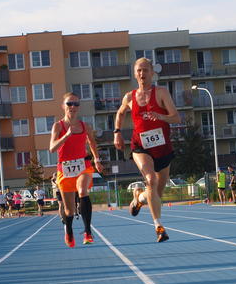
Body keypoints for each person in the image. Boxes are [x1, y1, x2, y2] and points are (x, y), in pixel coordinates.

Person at [113, 57, 181, 242]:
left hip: (163, 148)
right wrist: (117, 132)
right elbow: (120, 113)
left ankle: (139, 198)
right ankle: (159, 227)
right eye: (139, 70)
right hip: (140, 147)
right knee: (150, 179)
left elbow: (176, 118)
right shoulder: (129, 97)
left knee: (156, 194)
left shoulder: (161, 93)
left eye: (145, 70)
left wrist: (161, 116)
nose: (142, 73)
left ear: (152, 72)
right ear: (135, 74)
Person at [49, 92, 104, 247]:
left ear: (79, 107)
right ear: (63, 106)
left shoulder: (85, 126)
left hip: (83, 166)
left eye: (76, 104)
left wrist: (97, 160)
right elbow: (52, 148)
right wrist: (66, 136)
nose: (73, 106)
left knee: (82, 191)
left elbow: (92, 143)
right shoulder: (58, 126)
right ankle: (69, 230)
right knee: (69, 211)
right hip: (64, 169)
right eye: (69, 104)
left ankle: (87, 232)